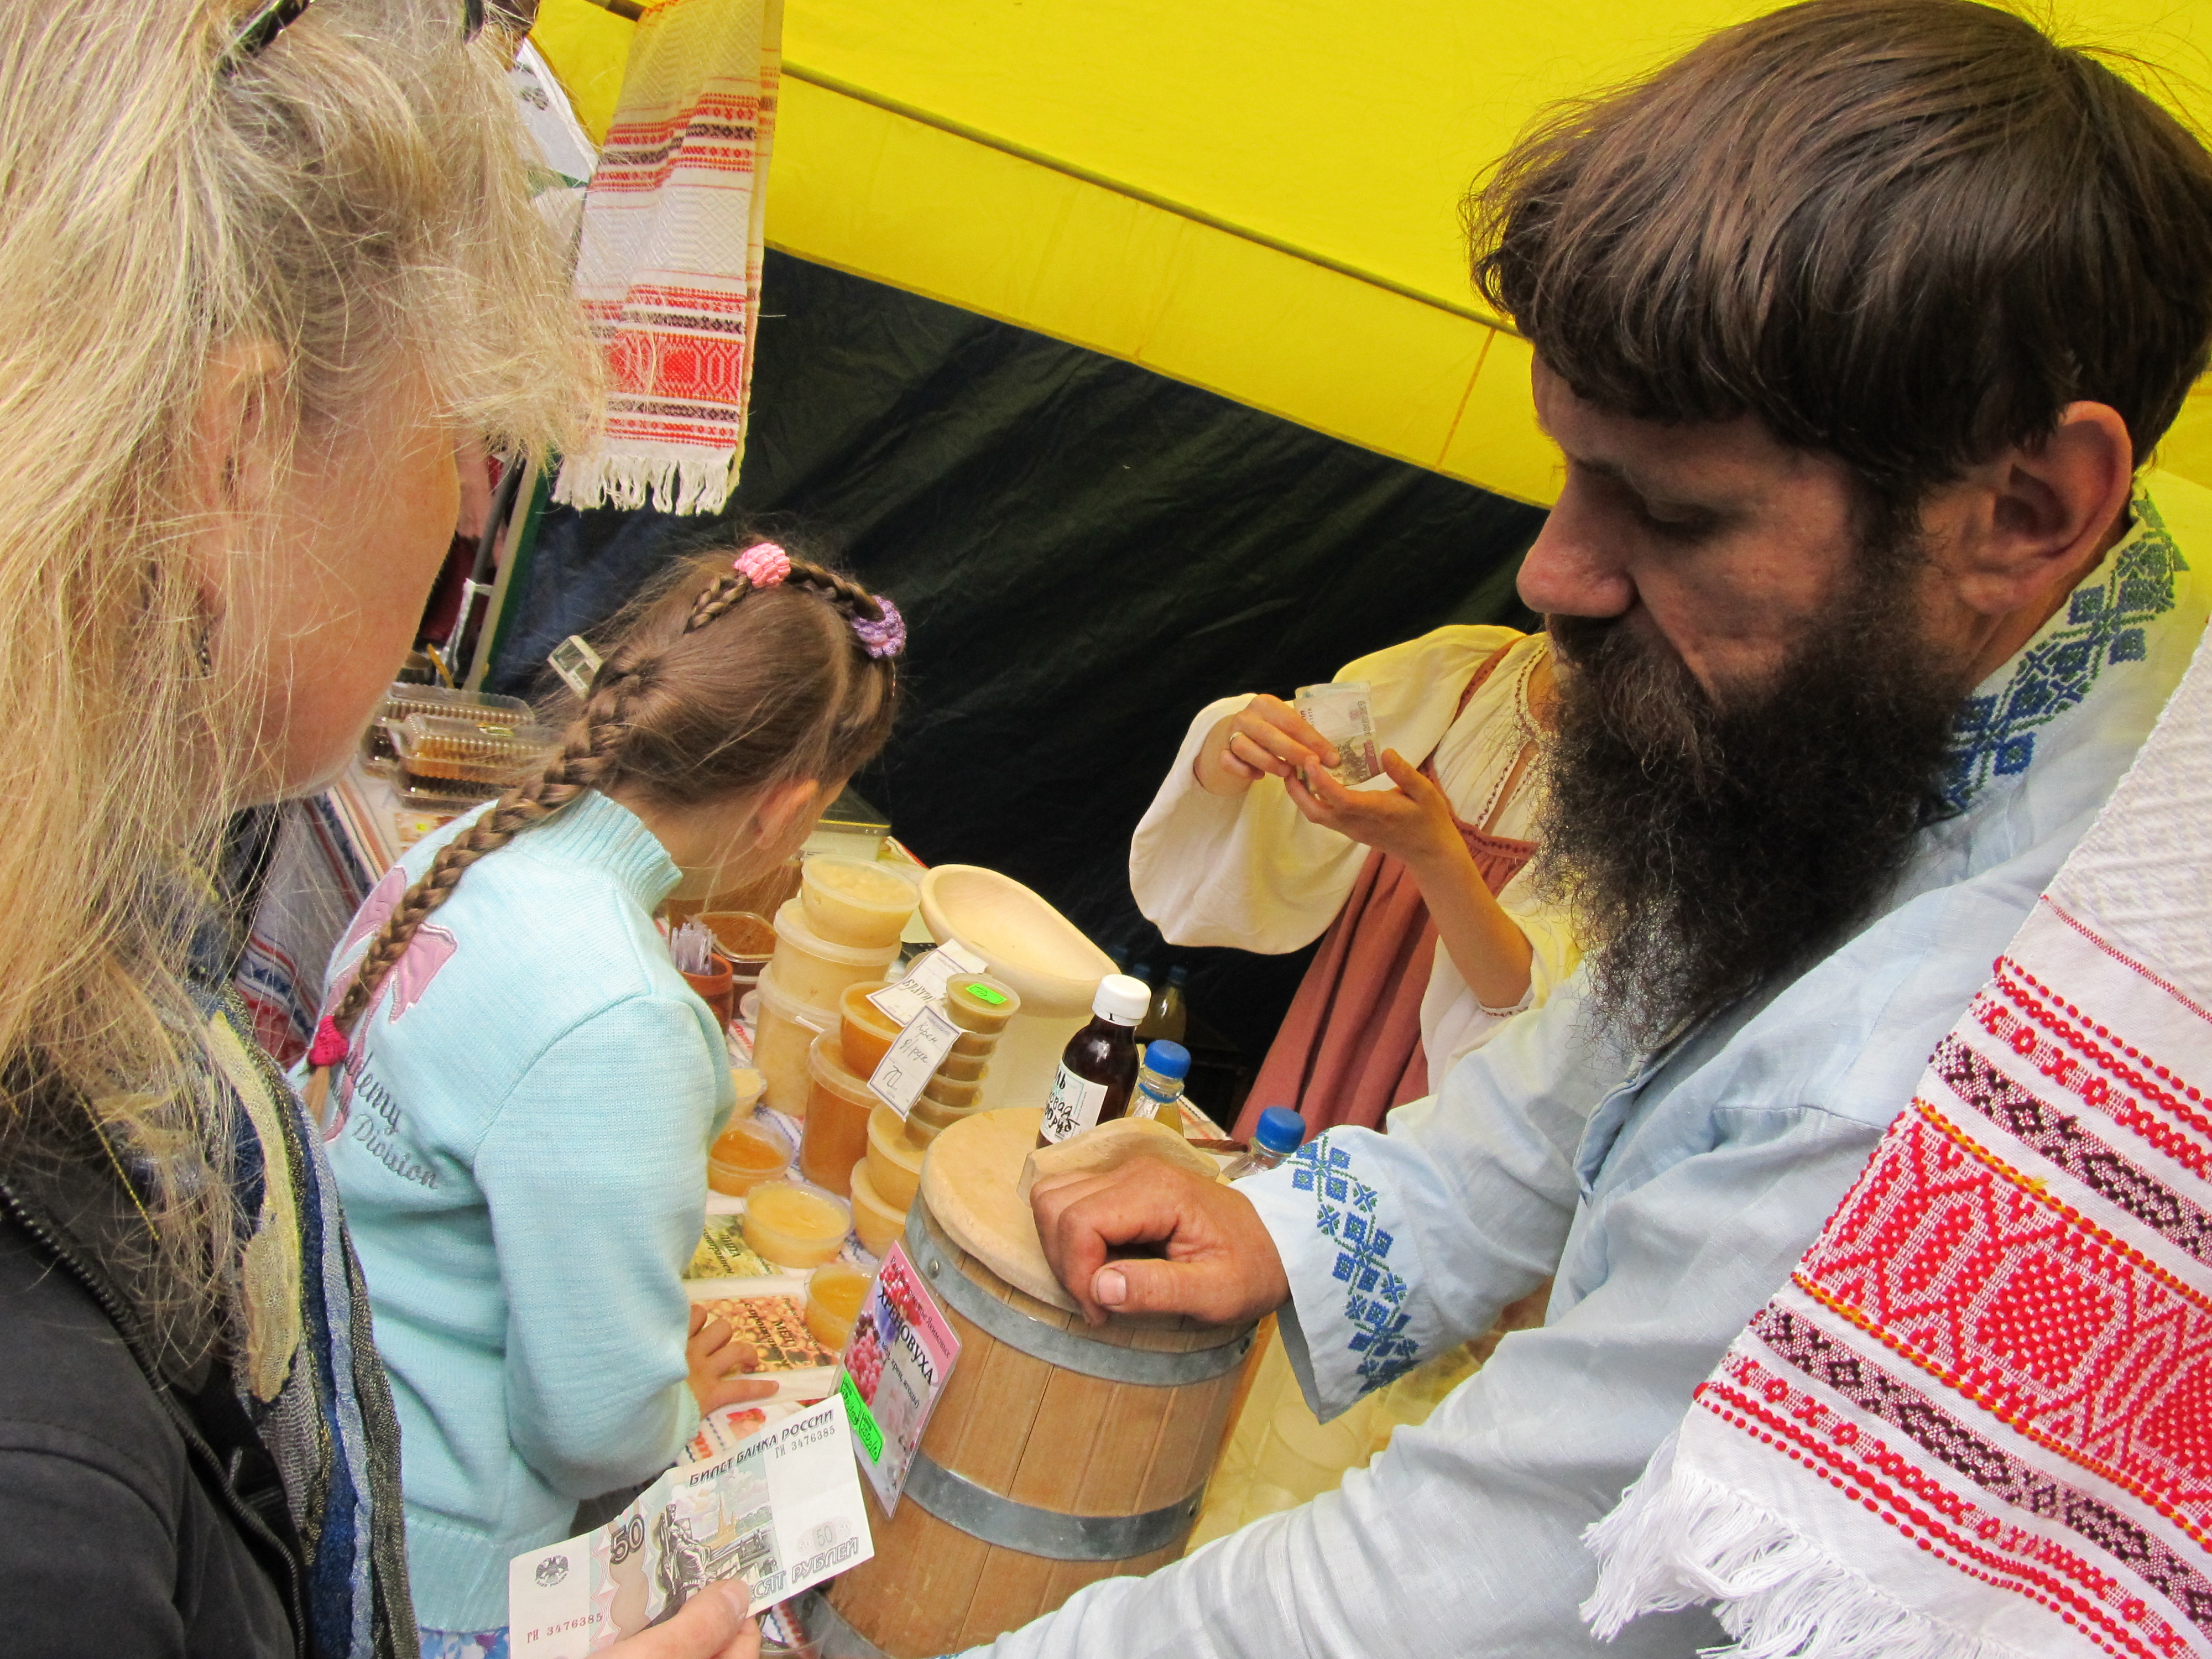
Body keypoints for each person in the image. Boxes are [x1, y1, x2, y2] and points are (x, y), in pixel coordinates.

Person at [986, 3, 2212, 1655]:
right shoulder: (2030, 639)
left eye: (1675, 511)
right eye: (1573, 469)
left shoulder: (1968, 1056)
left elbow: (1465, 1595)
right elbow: (1630, 1026)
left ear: (2026, 508)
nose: (1549, 575)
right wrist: (1306, 1222)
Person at [0, 1, 751, 1654]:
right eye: (464, 429)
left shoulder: (86, 974)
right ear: (237, 449)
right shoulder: (49, 1487)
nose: (474, 502)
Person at [310, 541, 902, 1648]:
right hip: (429, 1567)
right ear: (786, 811)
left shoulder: (473, 843)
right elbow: (591, 1432)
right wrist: (664, 1400)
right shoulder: (622, 1016)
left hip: (325, 1432)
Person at [1131, 625, 1574, 1136]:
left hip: (1466, 1100)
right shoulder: (1460, 666)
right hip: (1349, 1020)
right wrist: (1234, 747)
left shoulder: (1652, 777)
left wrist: (1433, 853)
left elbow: (1550, 1023)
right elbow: (1277, 825)